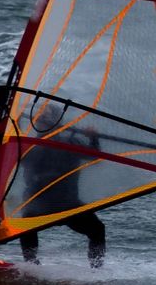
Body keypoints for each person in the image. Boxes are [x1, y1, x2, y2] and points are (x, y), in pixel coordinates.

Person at [17, 110, 106, 268]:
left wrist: (93, 137)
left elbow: (95, 158)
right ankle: (31, 267)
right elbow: (95, 156)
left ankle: (96, 270)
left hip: (64, 204)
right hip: (44, 203)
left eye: (44, 120)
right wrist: (93, 138)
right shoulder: (64, 143)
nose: (40, 123)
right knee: (26, 224)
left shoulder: (34, 145)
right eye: (40, 120)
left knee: (97, 229)